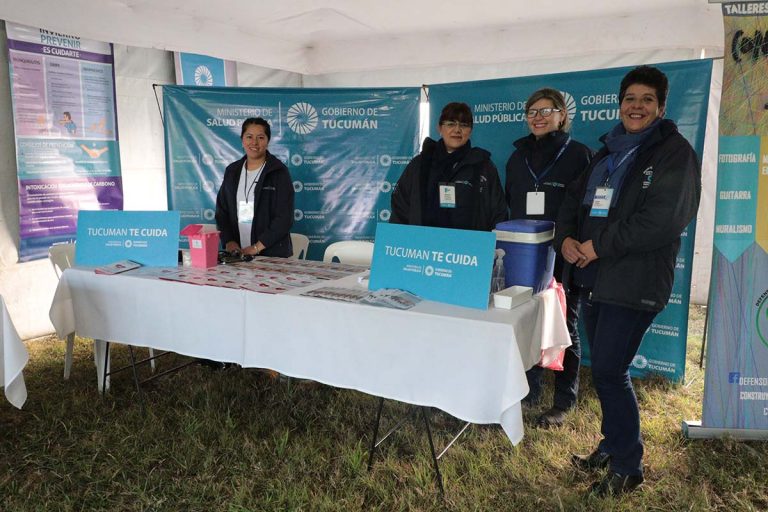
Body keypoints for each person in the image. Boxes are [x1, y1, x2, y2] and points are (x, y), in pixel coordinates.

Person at [554, 66, 701, 496]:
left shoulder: (674, 153)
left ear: (661, 107)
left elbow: (662, 220)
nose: (637, 106)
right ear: (620, 104)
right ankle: (611, 445)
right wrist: (566, 238)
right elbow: (573, 199)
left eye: (647, 99)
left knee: (609, 371)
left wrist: (598, 245)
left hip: (634, 280)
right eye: (630, 99)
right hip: (595, 276)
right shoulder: (608, 150)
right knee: (605, 369)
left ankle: (627, 466)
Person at [504, 88, 593, 428]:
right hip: (524, 255)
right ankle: (530, 390)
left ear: (562, 115)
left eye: (546, 111)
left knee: (565, 324)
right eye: (532, 112)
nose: (538, 117)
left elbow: (587, 209)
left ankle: (564, 400)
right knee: (525, 320)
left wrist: (576, 243)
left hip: (565, 252)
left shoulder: (580, 155)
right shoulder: (517, 158)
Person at [390, 102, 506, 231]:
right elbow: (400, 207)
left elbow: (498, 212)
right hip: (424, 241)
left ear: (470, 131)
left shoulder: (483, 166)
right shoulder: (420, 164)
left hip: (469, 242)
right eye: (451, 124)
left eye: (464, 125)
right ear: (439, 128)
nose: (457, 130)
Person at [215, 117, 294, 258]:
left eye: (260, 137)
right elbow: (222, 212)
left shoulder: (278, 172)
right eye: (249, 137)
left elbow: (284, 218)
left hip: (271, 254)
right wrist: (229, 241)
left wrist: (256, 248)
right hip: (237, 255)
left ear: (268, 141)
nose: (254, 142)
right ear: (242, 140)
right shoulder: (232, 171)